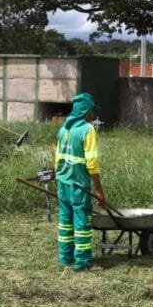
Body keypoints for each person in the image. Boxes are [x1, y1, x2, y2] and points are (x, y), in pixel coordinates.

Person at [55, 93, 106, 272]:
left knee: (65, 220)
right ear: (85, 111)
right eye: (92, 110)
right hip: (78, 185)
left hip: (63, 182)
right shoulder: (87, 130)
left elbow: (58, 159)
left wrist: (60, 177)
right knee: (82, 223)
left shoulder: (64, 129)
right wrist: (99, 190)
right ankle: (83, 262)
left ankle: (65, 257)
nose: (93, 114)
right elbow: (92, 163)